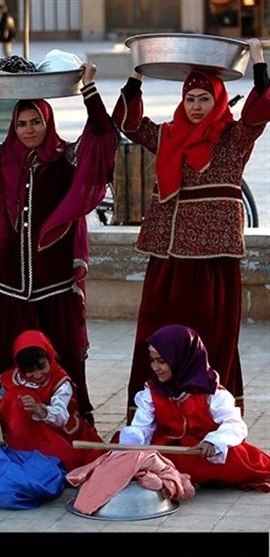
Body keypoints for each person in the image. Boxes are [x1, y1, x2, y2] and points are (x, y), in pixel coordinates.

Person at [0, 60, 117, 426]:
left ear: (48, 123)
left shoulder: (66, 159)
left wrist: (89, 89)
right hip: (0, 283)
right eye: (21, 123)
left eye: (36, 122)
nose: (29, 129)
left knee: (60, 358)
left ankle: (62, 420)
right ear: (13, 126)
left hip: (53, 285)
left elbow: (102, 138)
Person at [112, 39, 269, 422]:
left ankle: (209, 417)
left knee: (209, 337)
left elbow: (261, 110)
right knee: (158, 333)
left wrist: (259, 62)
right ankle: (154, 415)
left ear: (218, 101)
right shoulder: (168, 136)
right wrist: (136, 77)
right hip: (168, 260)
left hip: (213, 261)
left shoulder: (232, 138)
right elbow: (128, 124)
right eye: (190, 99)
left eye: (204, 99)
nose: (196, 106)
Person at [117, 325, 270, 492]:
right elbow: (141, 426)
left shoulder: (212, 392)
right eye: (152, 361)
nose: (155, 367)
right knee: (130, 452)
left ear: (182, 359)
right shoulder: (152, 391)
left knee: (235, 457)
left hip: (203, 451)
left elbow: (235, 424)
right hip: (168, 450)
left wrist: (214, 441)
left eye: (161, 361)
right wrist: (131, 447)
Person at [0, 330, 104, 472]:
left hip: (56, 430)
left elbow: (61, 414)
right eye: (30, 371)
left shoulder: (60, 382)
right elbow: (0, 396)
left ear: (49, 356)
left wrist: (41, 410)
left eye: (42, 367)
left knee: (64, 462)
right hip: (22, 430)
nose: (38, 375)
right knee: (16, 396)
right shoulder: (15, 378)